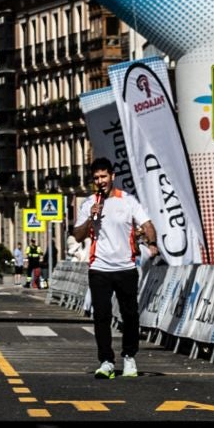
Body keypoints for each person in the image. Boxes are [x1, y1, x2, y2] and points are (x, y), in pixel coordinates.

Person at [71, 156, 156, 379]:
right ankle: (106, 360)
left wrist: (152, 242)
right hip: (99, 267)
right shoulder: (89, 203)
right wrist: (91, 219)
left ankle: (129, 357)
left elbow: (147, 224)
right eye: (96, 177)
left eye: (104, 176)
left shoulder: (127, 200)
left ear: (112, 177)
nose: (100, 181)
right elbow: (77, 235)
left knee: (130, 314)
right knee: (101, 316)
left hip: (125, 266)